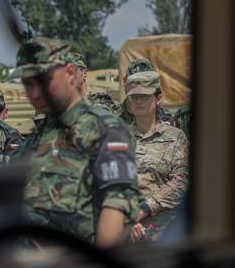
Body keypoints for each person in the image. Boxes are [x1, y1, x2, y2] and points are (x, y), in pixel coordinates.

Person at [11, 37, 140, 247]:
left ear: (70, 73)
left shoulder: (104, 129)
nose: (35, 93)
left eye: (44, 80)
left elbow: (118, 204)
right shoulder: (34, 139)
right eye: (28, 83)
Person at [124, 71, 189, 242]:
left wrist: (144, 209)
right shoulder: (119, 137)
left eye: (144, 96)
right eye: (134, 96)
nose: (138, 101)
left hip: (164, 234)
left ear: (158, 99)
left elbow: (180, 183)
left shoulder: (175, 137)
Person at [120, 59, 175, 126]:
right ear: (124, 81)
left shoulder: (164, 118)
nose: (138, 89)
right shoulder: (112, 115)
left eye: (145, 85)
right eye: (133, 83)